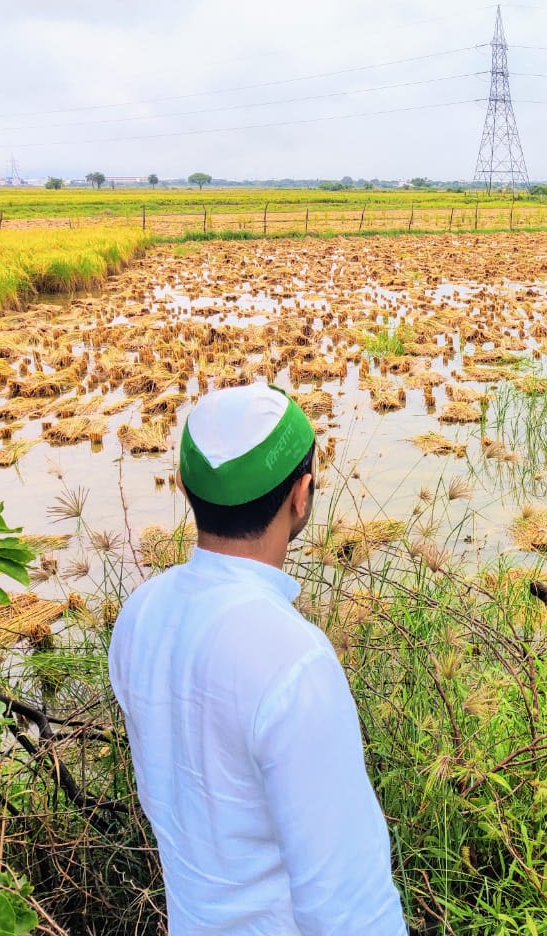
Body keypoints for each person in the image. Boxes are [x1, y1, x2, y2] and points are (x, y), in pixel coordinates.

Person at [108, 383, 408, 935]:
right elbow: (347, 904)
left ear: (184, 487)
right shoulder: (294, 662)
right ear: (302, 494)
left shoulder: (141, 615)